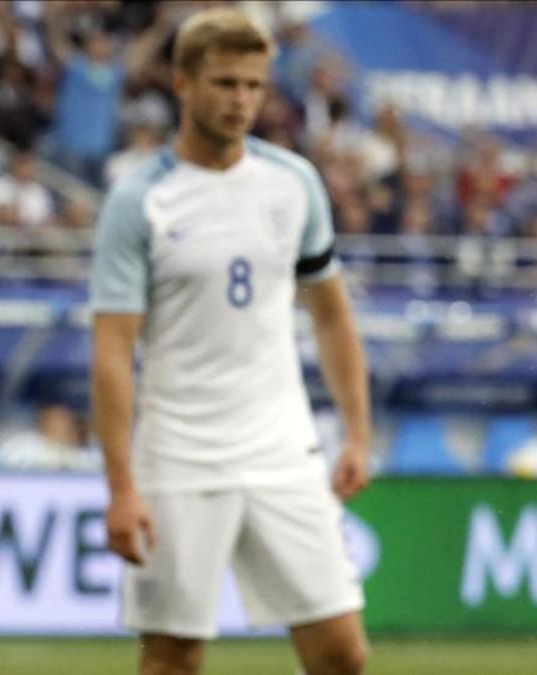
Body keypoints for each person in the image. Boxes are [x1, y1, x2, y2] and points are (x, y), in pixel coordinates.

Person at [89, 9, 371, 675]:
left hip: (283, 447)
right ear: (183, 84)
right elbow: (111, 350)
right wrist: (121, 486)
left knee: (342, 652)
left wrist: (358, 431)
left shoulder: (295, 183)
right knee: (172, 658)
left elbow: (331, 314)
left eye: (253, 85)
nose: (241, 99)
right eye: (224, 83)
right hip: (180, 453)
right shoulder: (140, 200)